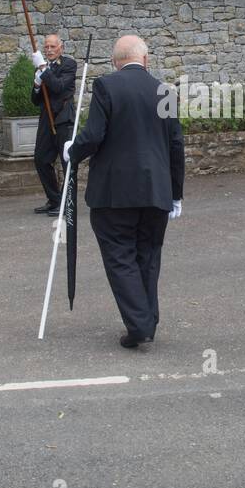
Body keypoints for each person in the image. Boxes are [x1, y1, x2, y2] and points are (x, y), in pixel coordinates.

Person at [65, 35, 185, 349]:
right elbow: (175, 146)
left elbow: (93, 136)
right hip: (156, 190)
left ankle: (140, 324)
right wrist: (176, 193)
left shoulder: (106, 86)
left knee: (120, 256)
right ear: (145, 60)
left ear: (116, 61)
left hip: (114, 192)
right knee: (147, 255)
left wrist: (71, 152)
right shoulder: (165, 92)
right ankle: (147, 319)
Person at [30, 34, 77, 215]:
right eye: (46, 47)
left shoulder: (68, 65)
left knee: (66, 162)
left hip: (63, 118)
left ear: (61, 48)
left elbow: (58, 87)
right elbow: (35, 100)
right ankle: (54, 199)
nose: (49, 50)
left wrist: (43, 69)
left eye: (52, 47)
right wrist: (36, 83)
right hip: (46, 119)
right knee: (41, 159)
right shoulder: (43, 68)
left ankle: (67, 203)